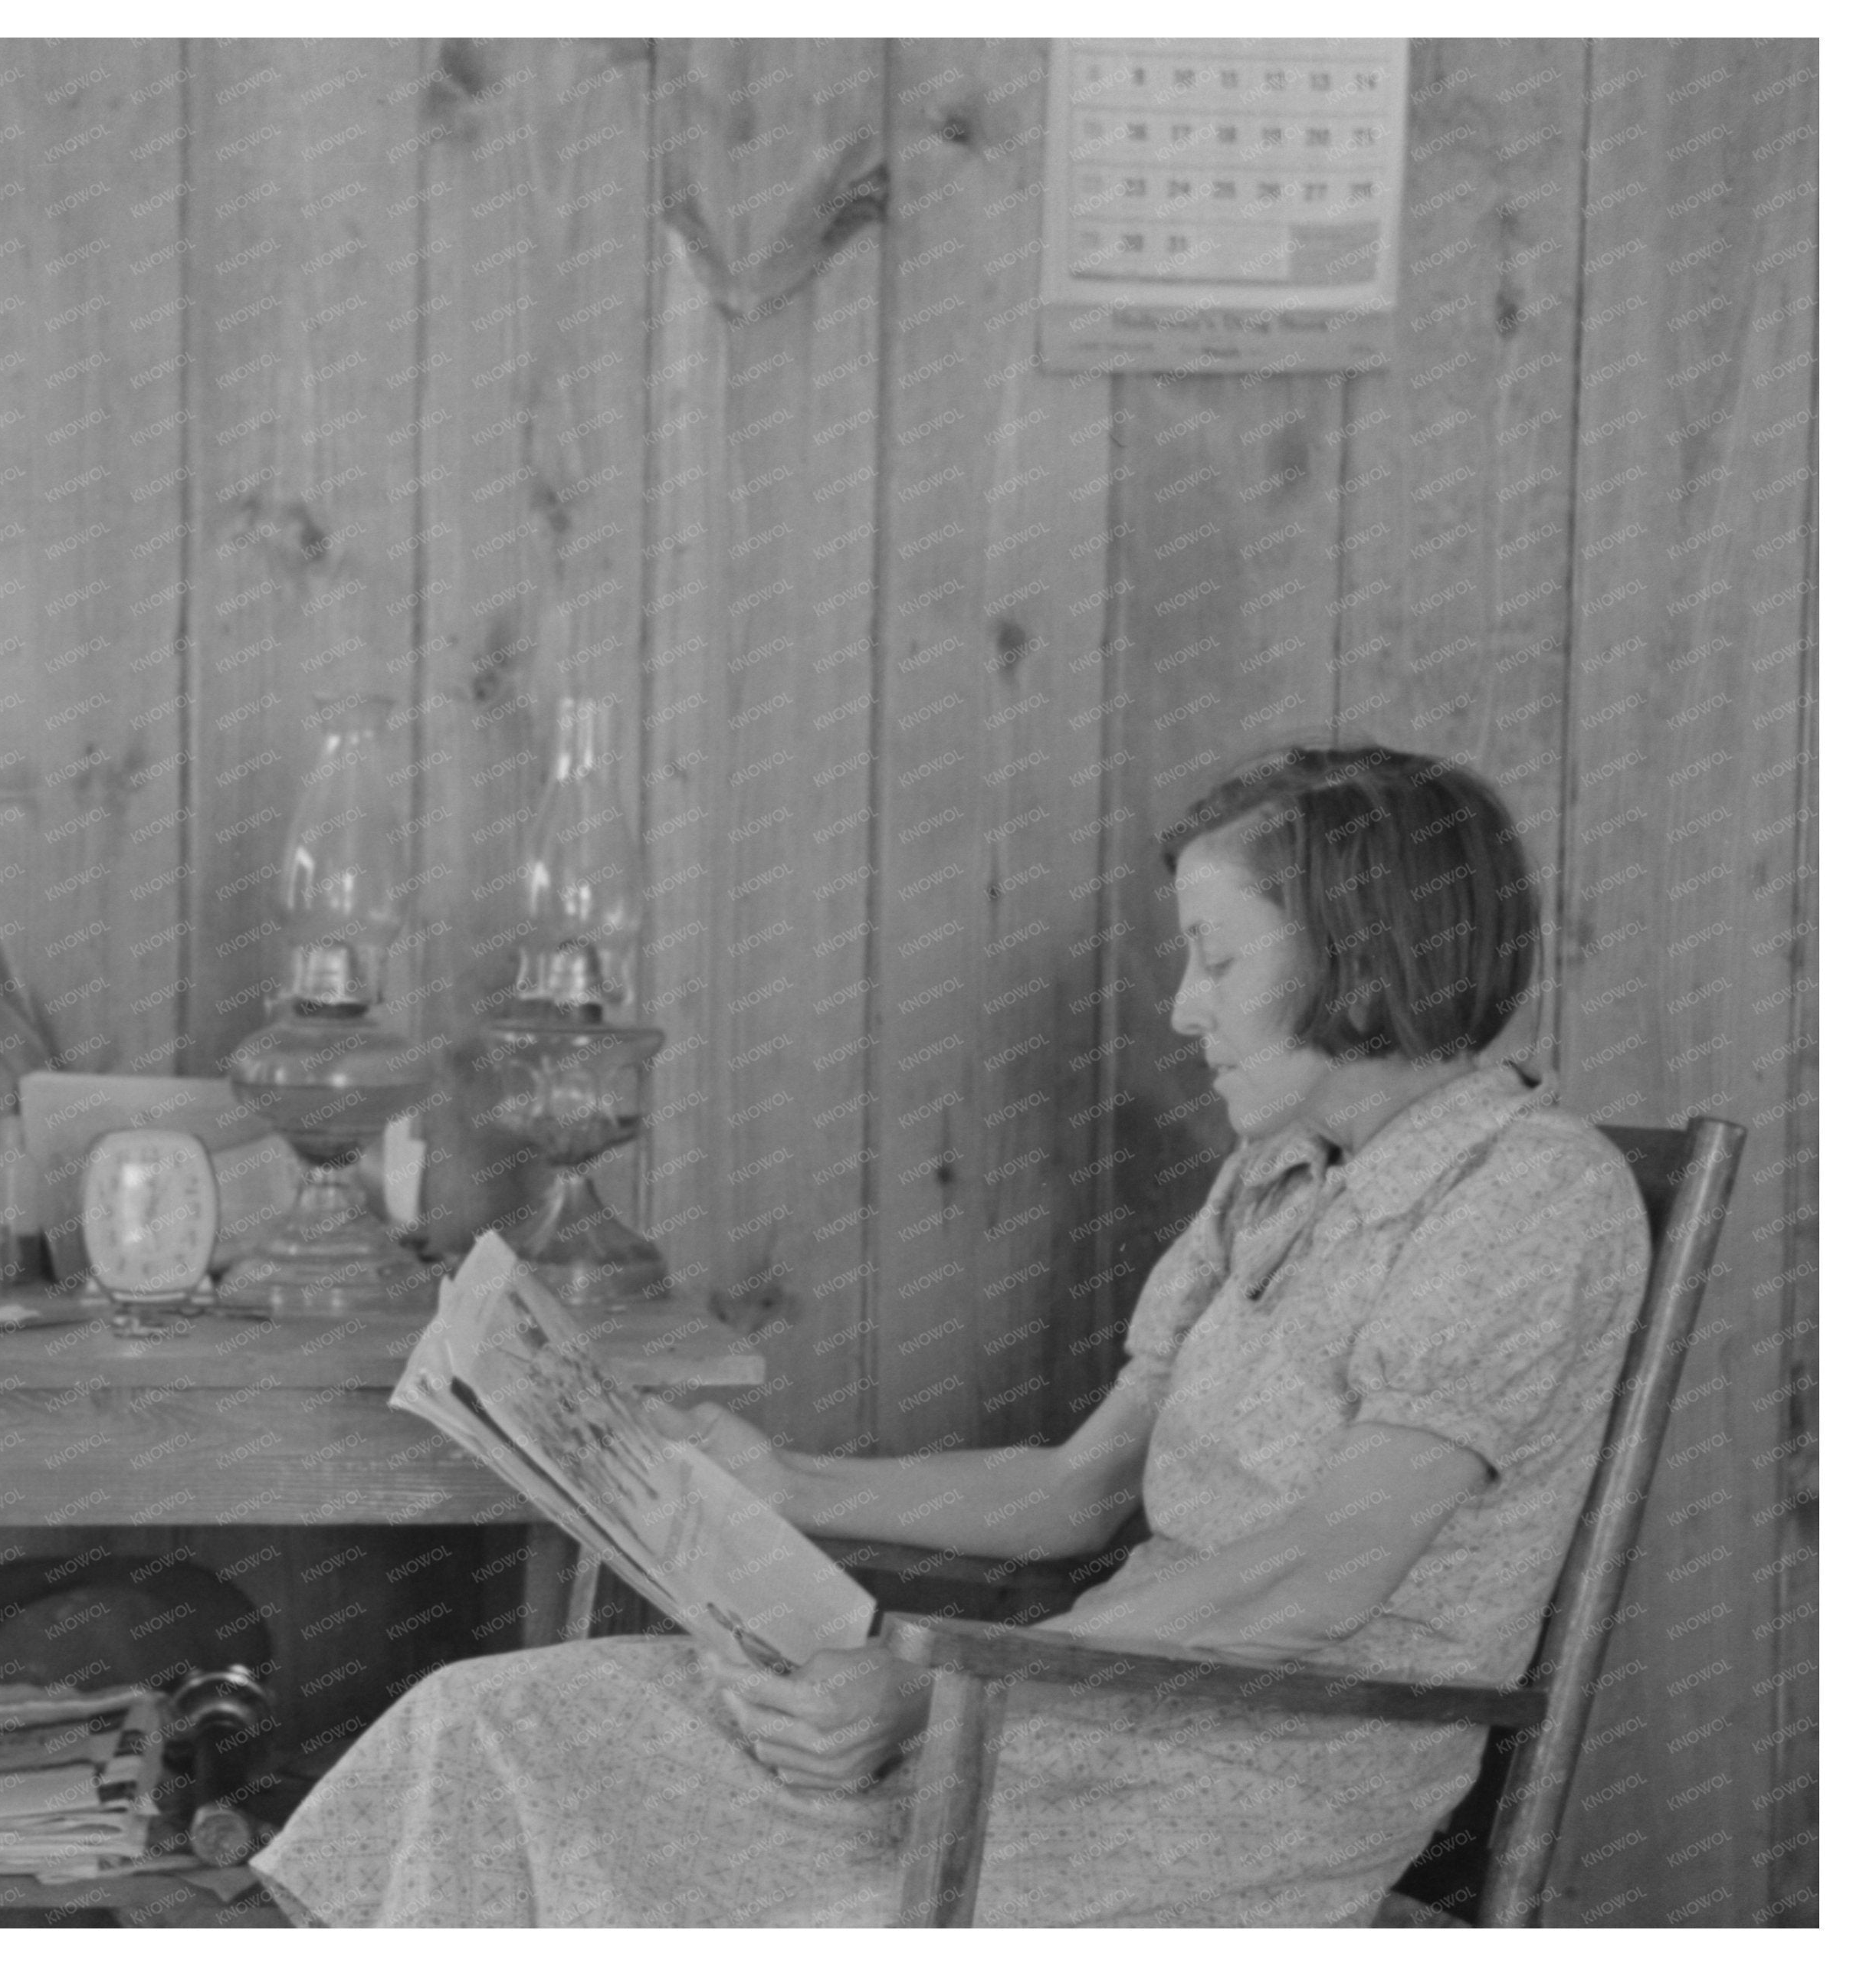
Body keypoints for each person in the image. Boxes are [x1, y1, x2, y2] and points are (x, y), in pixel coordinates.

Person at [251, 745, 1652, 1926]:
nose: (1181, 1007)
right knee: (490, 1723)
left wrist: (939, 1692)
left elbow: (1317, 1576)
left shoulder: (1528, 1194)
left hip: (1248, 1792)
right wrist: (789, 1486)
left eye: (1218, 957)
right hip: (1076, 1711)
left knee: (591, 1801)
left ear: (1363, 951)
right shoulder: (1281, 1169)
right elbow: (1080, 1489)